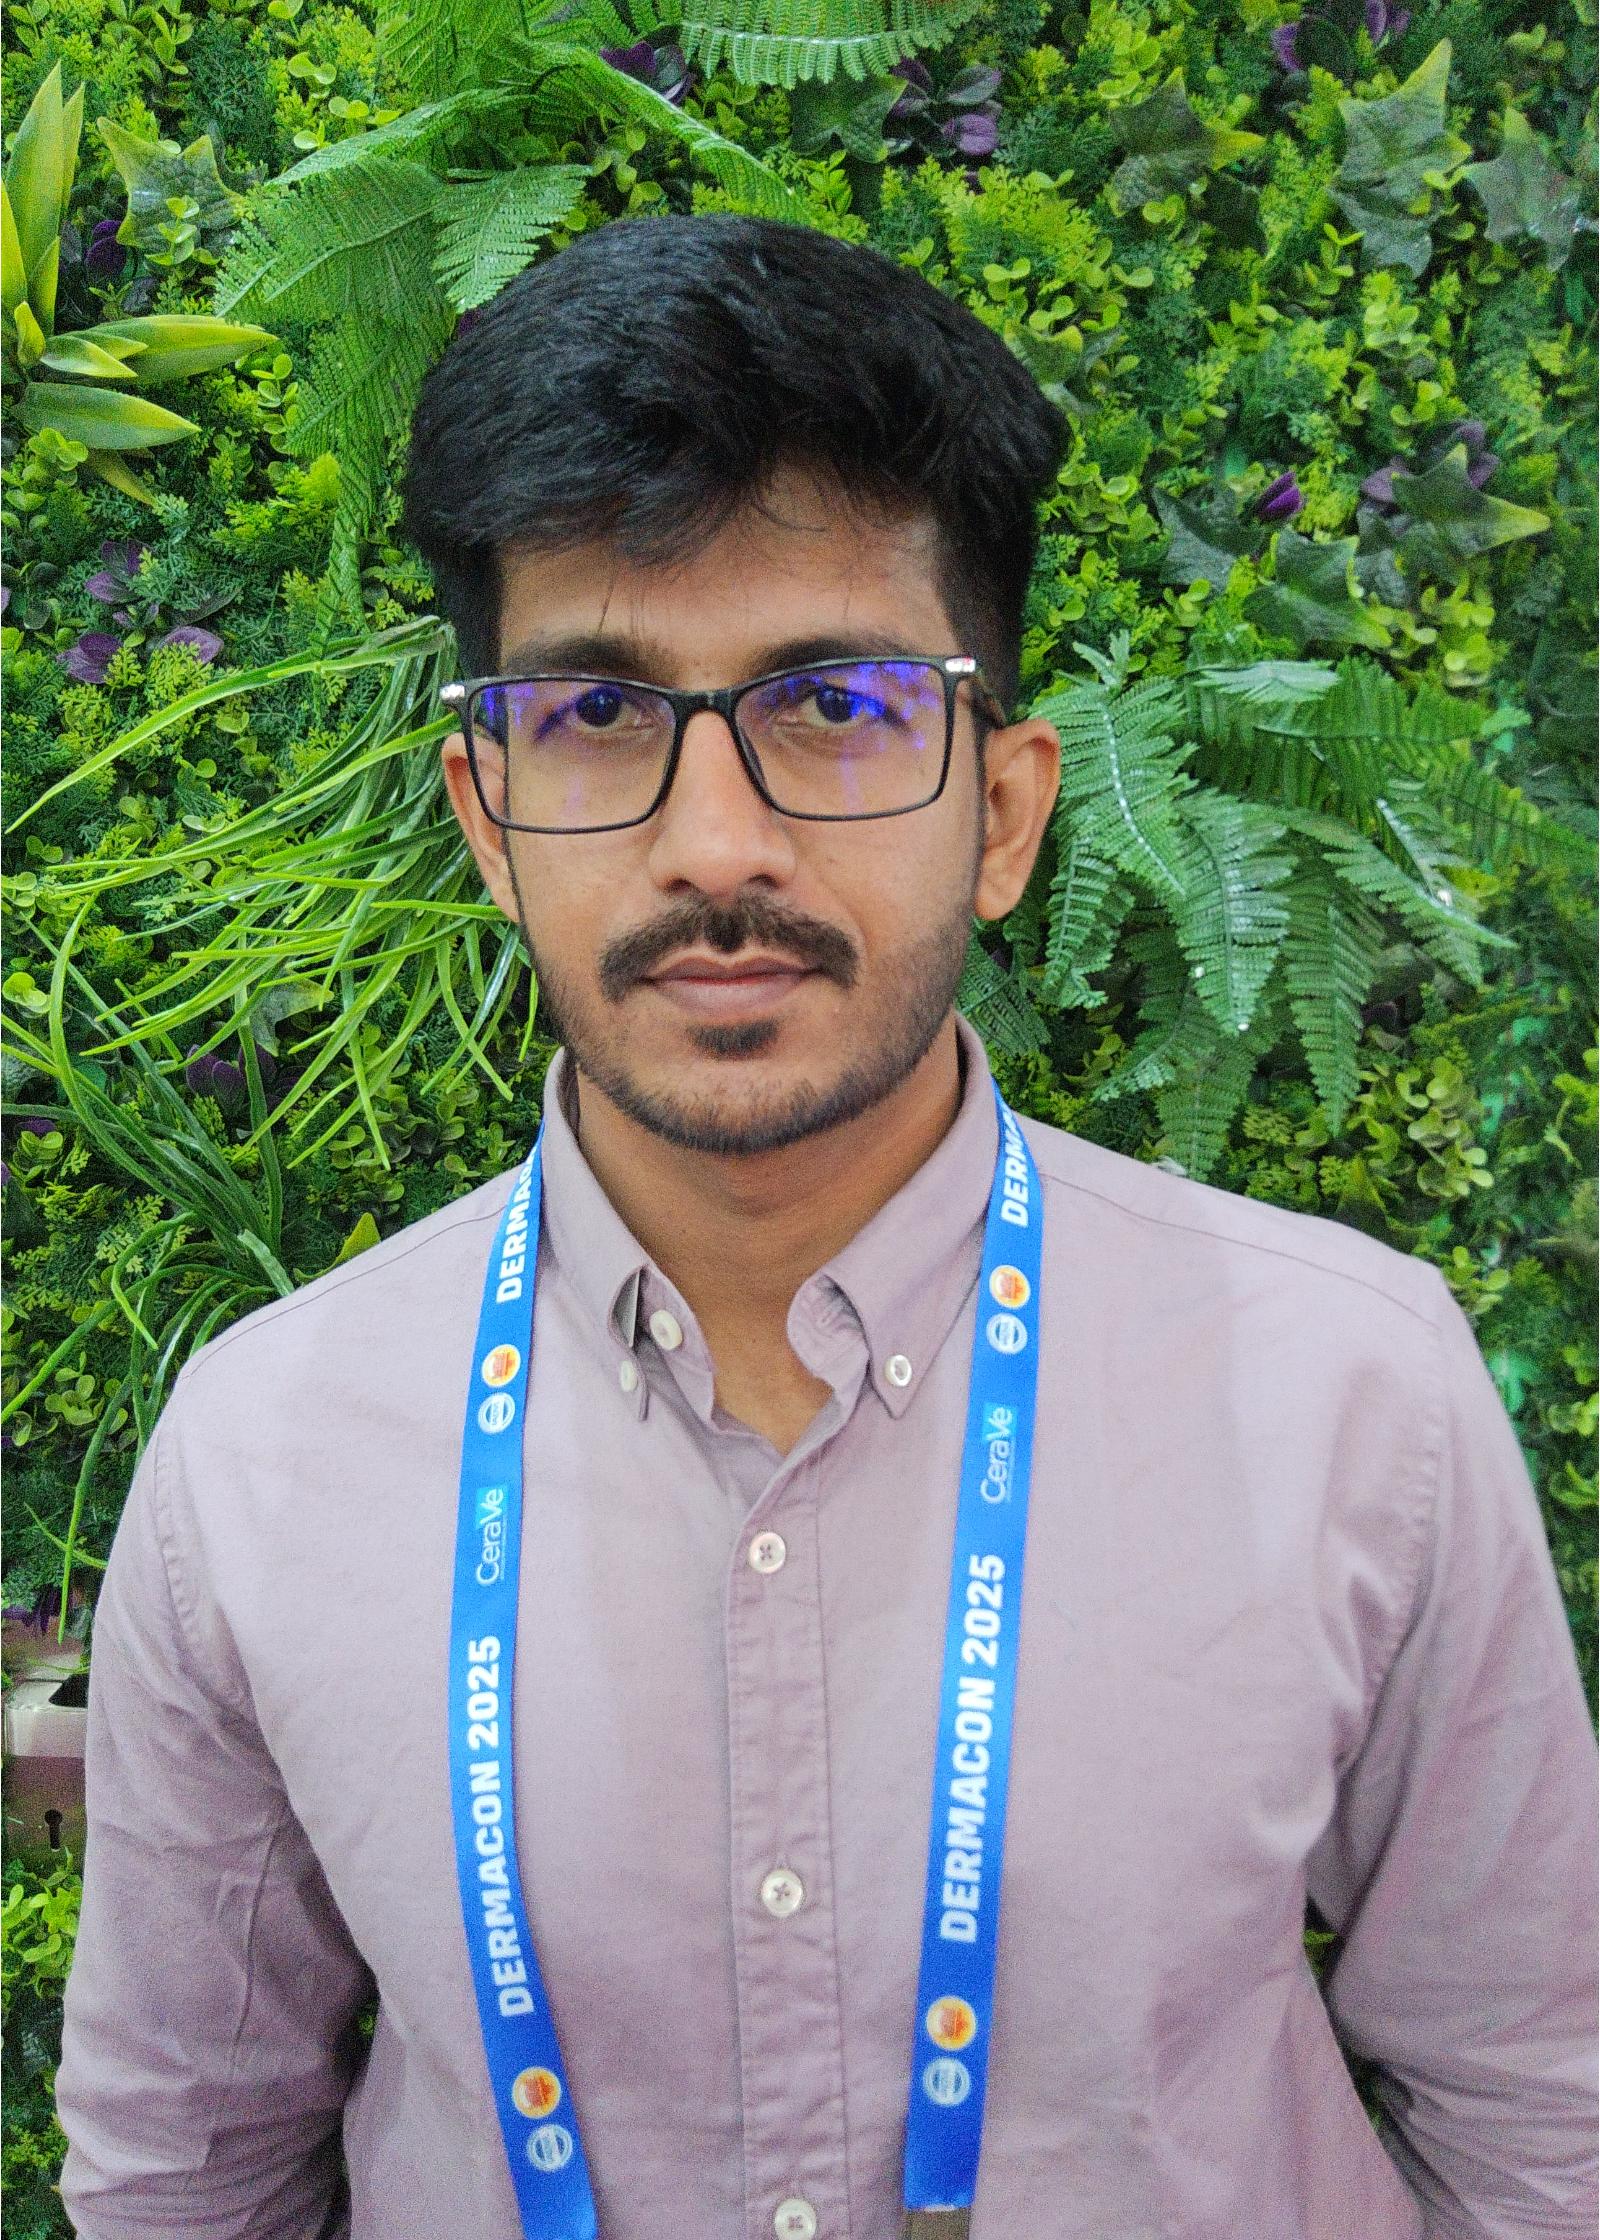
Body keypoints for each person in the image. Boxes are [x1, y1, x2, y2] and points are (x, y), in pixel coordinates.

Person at [56, 215, 1595, 2240]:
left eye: (841, 703)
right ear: (485, 818)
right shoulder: (261, 1462)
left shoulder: (1354, 1399)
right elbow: (182, 2170)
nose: (718, 845)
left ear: (1007, 809)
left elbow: (1542, 2118)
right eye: (596, 716)